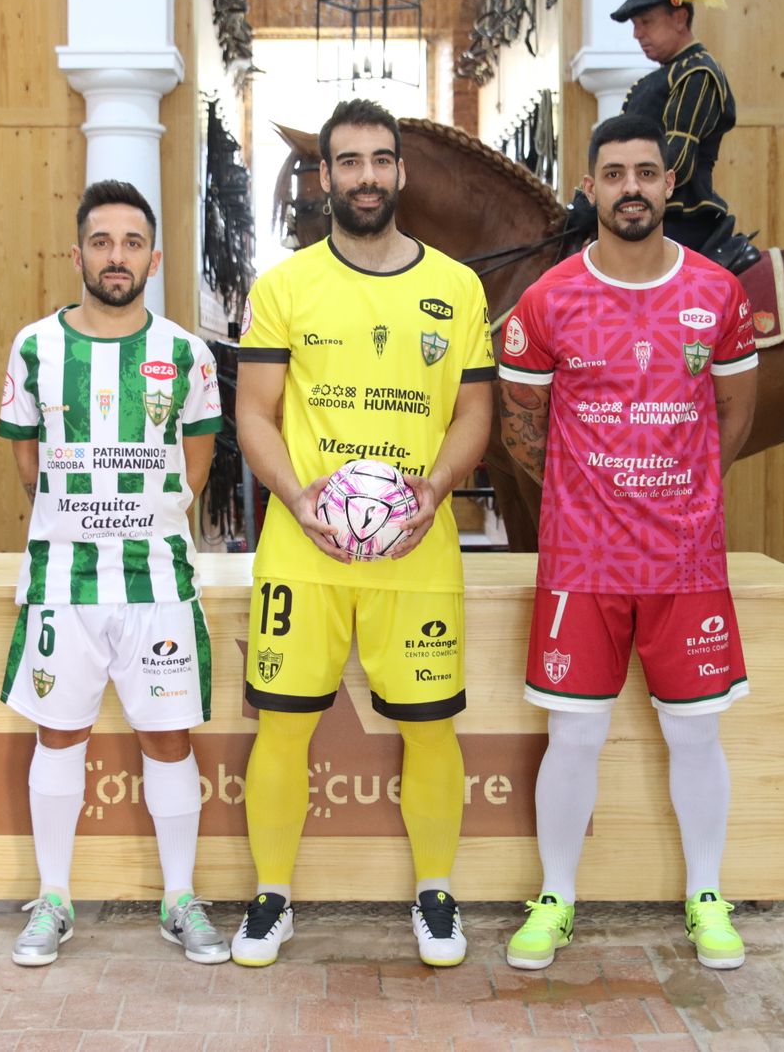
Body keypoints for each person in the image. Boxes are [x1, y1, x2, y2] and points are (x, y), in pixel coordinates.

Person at [231, 98, 495, 968]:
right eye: (349, 162)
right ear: (327, 176)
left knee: (430, 730)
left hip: (414, 550)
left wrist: (440, 486)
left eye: (381, 160)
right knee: (282, 728)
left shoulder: (454, 288)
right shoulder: (284, 287)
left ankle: (436, 894)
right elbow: (255, 415)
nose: (367, 177)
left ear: (402, 172)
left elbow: (474, 414)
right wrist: (297, 497)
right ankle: (271, 897)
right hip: (304, 550)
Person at [496, 113, 759, 971]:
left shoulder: (718, 293)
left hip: (686, 562)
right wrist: (580, 493)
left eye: (647, 172)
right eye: (615, 175)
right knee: (572, 739)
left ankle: (707, 895)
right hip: (583, 565)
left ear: (669, 184)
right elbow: (522, 421)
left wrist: (689, 489)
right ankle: (557, 897)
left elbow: (734, 408)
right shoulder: (549, 300)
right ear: (591, 187)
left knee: (695, 737)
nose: (633, 188)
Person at [0, 180, 228, 967]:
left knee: (168, 739)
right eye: (102, 242)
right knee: (59, 735)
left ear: (154, 258)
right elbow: (28, 464)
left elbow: (194, 463)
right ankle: (53, 898)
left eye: (132, 244)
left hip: (157, 581)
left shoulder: (185, 353)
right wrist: (78, 517)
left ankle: (179, 897)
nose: (116, 257)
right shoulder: (35, 347)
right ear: (78, 254)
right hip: (65, 582)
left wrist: (141, 514)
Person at [609, 0, 753, 268]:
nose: (637, 34)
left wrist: (611, 195)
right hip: (643, 205)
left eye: (646, 22)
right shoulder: (658, 77)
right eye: (636, 26)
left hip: (680, 214)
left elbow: (677, 160)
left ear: (679, 18)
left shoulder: (697, 71)